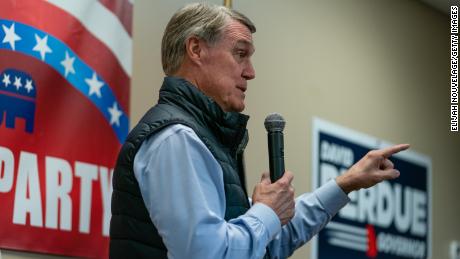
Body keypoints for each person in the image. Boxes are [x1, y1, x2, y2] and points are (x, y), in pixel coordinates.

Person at [109, 3, 410, 259]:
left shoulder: (205, 136)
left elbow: (264, 243)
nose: (250, 72)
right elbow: (208, 254)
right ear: (196, 49)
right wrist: (265, 212)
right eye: (240, 53)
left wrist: (346, 183)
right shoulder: (175, 139)